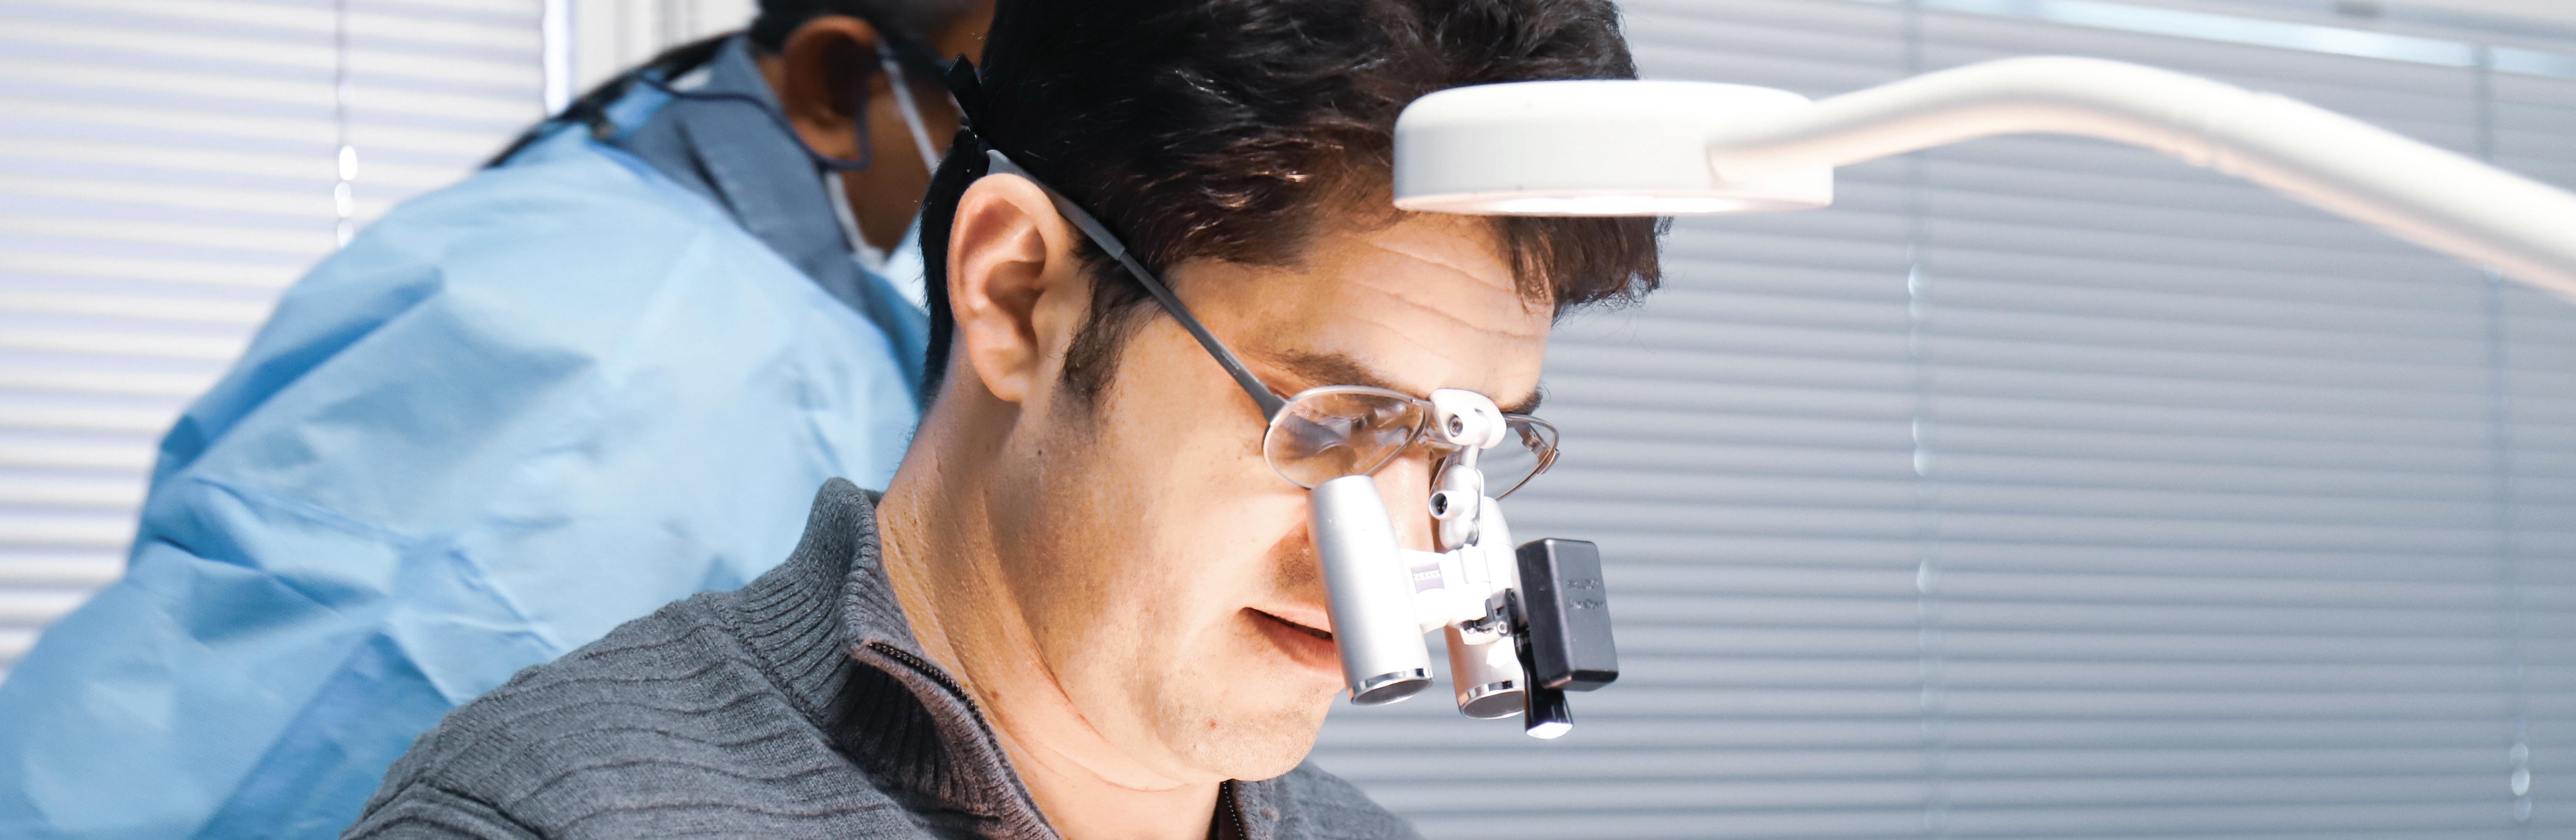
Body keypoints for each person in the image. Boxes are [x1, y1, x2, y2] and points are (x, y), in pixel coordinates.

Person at [340, 0, 1664, 837]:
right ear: (1019, 293)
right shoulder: (550, 815)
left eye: (1457, 447)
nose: (1395, 551)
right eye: (1326, 418)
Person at [0, 2, 993, 837]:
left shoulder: (601, 219)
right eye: (984, 108)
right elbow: (347, 704)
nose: (1006, 166)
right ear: (833, 80)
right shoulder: (654, 327)